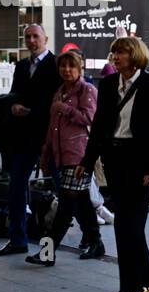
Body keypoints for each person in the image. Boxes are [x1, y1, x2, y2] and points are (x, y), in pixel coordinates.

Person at [81, 36, 149, 292]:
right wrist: (88, 161)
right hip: (115, 159)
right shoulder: (107, 84)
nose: (116, 57)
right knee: (130, 225)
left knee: (127, 224)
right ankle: (147, 280)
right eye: (114, 52)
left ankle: (130, 288)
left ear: (135, 56)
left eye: (121, 52)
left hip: (140, 162)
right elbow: (99, 125)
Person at [26, 50, 102, 265]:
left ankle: (47, 253)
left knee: (65, 206)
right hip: (61, 156)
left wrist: (66, 109)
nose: (66, 70)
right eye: (63, 66)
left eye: (71, 66)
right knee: (82, 201)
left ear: (80, 69)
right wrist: (45, 154)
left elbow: (89, 118)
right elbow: (53, 128)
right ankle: (96, 242)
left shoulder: (87, 90)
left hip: (79, 155)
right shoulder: (59, 92)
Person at [0, 23, 61, 256]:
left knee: (66, 189)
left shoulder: (56, 64)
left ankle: (90, 236)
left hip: (48, 137)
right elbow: (15, 93)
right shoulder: (21, 66)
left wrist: (33, 112)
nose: (31, 40)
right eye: (27, 37)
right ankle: (18, 239)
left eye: (35, 36)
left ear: (45, 39)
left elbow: (57, 100)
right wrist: (14, 107)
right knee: (16, 187)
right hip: (23, 136)